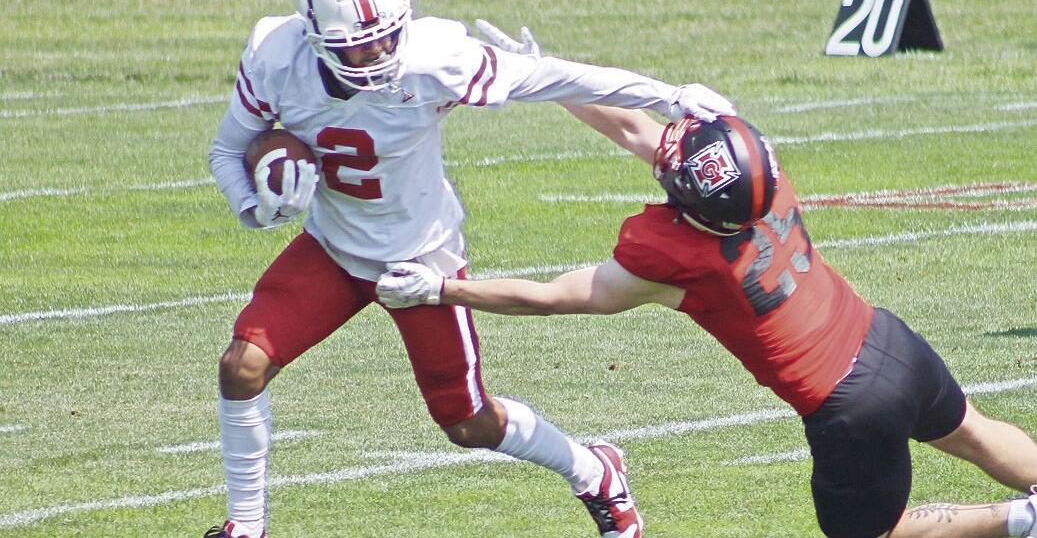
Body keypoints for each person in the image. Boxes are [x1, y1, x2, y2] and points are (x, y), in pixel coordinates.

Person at [204, 0, 737, 536]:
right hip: (332, 249)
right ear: (316, 40)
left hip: (419, 262)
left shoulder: (433, 58)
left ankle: (595, 470)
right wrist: (256, 206)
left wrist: (669, 97)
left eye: (388, 36)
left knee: (467, 423)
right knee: (241, 366)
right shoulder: (276, 55)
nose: (382, 52)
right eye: (361, 46)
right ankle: (246, 526)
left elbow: (555, 77)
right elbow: (227, 151)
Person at [375, 103, 1037, 538]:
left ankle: (1017, 520)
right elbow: (647, 135)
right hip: (886, 339)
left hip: (849, 402)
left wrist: (443, 290)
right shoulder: (760, 180)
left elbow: (554, 296)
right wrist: (551, 79)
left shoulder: (681, 257)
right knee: (975, 432)